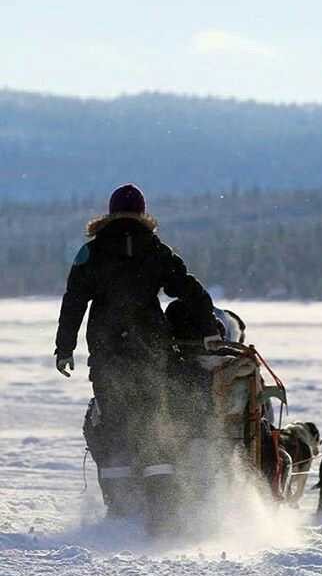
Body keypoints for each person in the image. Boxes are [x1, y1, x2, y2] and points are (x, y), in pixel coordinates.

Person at [55, 184, 222, 528]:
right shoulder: (157, 250)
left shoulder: (91, 252)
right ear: (143, 214)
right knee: (154, 424)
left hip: (107, 352)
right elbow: (190, 289)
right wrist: (208, 329)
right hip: (151, 349)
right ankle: (162, 513)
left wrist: (64, 347)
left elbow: (74, 300)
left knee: (116, 427)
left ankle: (120, 513)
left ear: (110, 213)